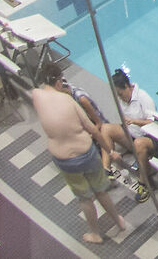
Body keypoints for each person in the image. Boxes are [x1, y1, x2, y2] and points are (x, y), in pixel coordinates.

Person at [31, 58, 128, 246]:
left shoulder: (36, 95)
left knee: (85, 199)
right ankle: (119, 221)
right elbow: (93, 130)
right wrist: (110, 151)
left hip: (65, 160)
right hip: (86, 155)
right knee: (101, 191)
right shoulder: (70, 102)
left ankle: (95, 234)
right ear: (59, 82)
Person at [109, 70, 158, 197]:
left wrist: (135, 121)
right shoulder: (121, 99)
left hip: (147, 139)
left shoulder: (144, 98)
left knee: (139, 143)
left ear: (127, 86)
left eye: (120, 94)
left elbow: (154, 123)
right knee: (106, 129)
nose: (120, 97)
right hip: (131, 136)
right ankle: (108, 167)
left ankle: (144, 183)